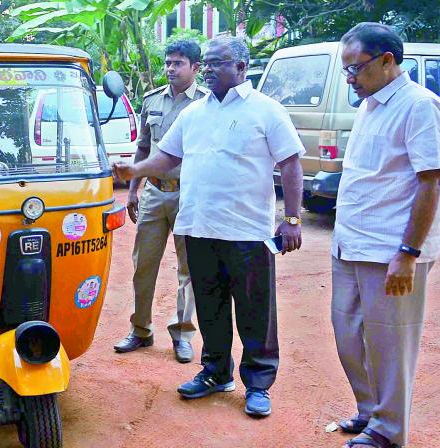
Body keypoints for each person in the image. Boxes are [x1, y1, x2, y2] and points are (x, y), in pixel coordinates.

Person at [113, 36, 305, 418]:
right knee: (210, 307)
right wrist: (135, 170)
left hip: (248, 232)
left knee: (255, 311)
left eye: (220, 62)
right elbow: (167, 155)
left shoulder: (266, 111)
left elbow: (291, 163)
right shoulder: (194, 113)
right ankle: (215, 372)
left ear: (241, 68)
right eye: (210, 63)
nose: (212, 68)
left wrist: (293, 219)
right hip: (198, 226)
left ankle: (258, 383)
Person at [330, 23, 440, 448]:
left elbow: (430, 183)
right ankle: (371, 412)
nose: (350, 79)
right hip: (350, 242)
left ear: (387, 61)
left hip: (390, 248)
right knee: (347, 333)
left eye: (356, 69)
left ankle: (388, 430)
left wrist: (408, 252)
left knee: (390, 342)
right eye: (345, 70)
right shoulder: (370, 105)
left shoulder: (421, 106)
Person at [113, 39, 207, 363]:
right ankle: (140, 330)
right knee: (143, 264)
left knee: (189, 268)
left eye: (178, 63)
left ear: (196, 67)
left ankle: (182, 333)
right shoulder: (152, 100)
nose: (170, 69)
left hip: (188, 194)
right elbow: (143, 148)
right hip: (153, 191)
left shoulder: (207, 105)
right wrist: (133, 190)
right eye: (168, 63)